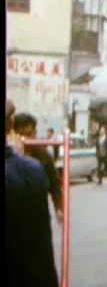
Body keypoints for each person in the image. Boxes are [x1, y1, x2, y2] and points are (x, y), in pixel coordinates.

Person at [6, 99, 59, 287]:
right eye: (23, 134)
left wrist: (58, 206)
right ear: (12, 130)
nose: (28, 138)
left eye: (31, 133)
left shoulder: (42, 156)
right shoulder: (26, 166)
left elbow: (54, 182)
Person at [13, 113, 63, 224]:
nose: (26, 139)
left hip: (38, 216)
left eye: (29, 134)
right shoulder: (10, 156)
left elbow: (55, 185)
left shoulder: (44, 155)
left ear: (35, 133)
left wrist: (58, 208)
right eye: (21, 134)